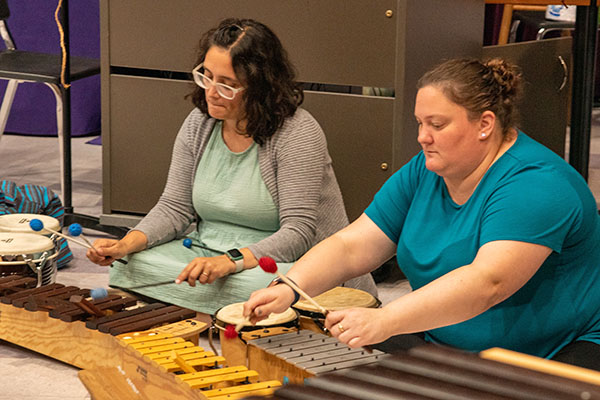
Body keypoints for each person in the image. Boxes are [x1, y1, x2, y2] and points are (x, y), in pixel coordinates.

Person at [244, 58, 600, 371]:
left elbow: (487, 283)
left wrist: (387, 319)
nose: (422, 137)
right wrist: (291, 286)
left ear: (485, 124)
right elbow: (354, 245)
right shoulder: (426, 171)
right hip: (448, 343)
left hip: (548, 354)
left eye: (437, 125)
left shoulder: (535, 185)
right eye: (419, 124)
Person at [86, 18, 376, 315]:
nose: (211, 92)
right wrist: (126, 243)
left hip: (289, 259)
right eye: (207, 76)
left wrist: (230, 261)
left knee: (261, 290)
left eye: (228, 85)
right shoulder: (199, 124)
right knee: (134, 262)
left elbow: (298, 233)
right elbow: (174, 207)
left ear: (261, 87)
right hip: (207, 249)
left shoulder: (298, 132)